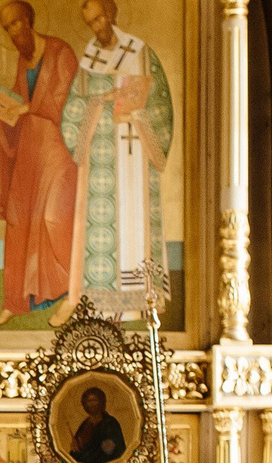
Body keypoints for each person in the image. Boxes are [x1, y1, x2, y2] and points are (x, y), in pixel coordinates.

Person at [59, 0, 174, 306]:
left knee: (136, 217)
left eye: (99, 19)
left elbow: (161, 102)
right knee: (100, 226)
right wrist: (101, 101)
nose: (96, 28)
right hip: (100, 157)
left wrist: (138, 111)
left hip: (136, 150)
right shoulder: (88, 62)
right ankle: (99, 298)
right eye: (90, 23)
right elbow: (73, 109)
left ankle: (143, 298)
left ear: (111, 14)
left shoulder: (142, 54)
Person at [0, 0, 79, 325]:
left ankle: (68, 293)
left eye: (15, 24)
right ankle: (14, 301)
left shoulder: (61, 51)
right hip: (30, 148)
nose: (12, 33)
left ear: (28, 19)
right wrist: (0, 109)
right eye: (7, 29)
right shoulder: (24, 58)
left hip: (59, 148)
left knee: (51, 218)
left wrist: (27, 107)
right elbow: (22, 101)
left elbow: (67, 98)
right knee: (19, 219)